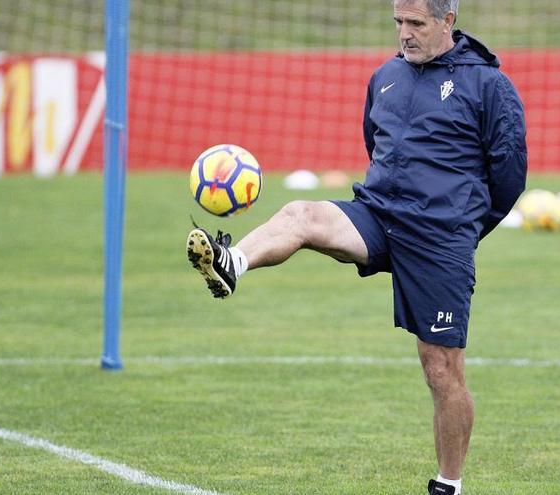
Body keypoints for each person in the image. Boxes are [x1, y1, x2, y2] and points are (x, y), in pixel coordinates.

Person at [186, 0, 527, 493]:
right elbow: (376, 144)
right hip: (380, 216)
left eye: (416, 23)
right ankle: (231, 262)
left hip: (440, 239)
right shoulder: (385, 77)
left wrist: (462, 229)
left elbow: (509, 177)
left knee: (441, 369)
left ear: (447, 22)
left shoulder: (489, 85)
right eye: (398, 23)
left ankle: (449, 484)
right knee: (303, 213)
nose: (404, 34)